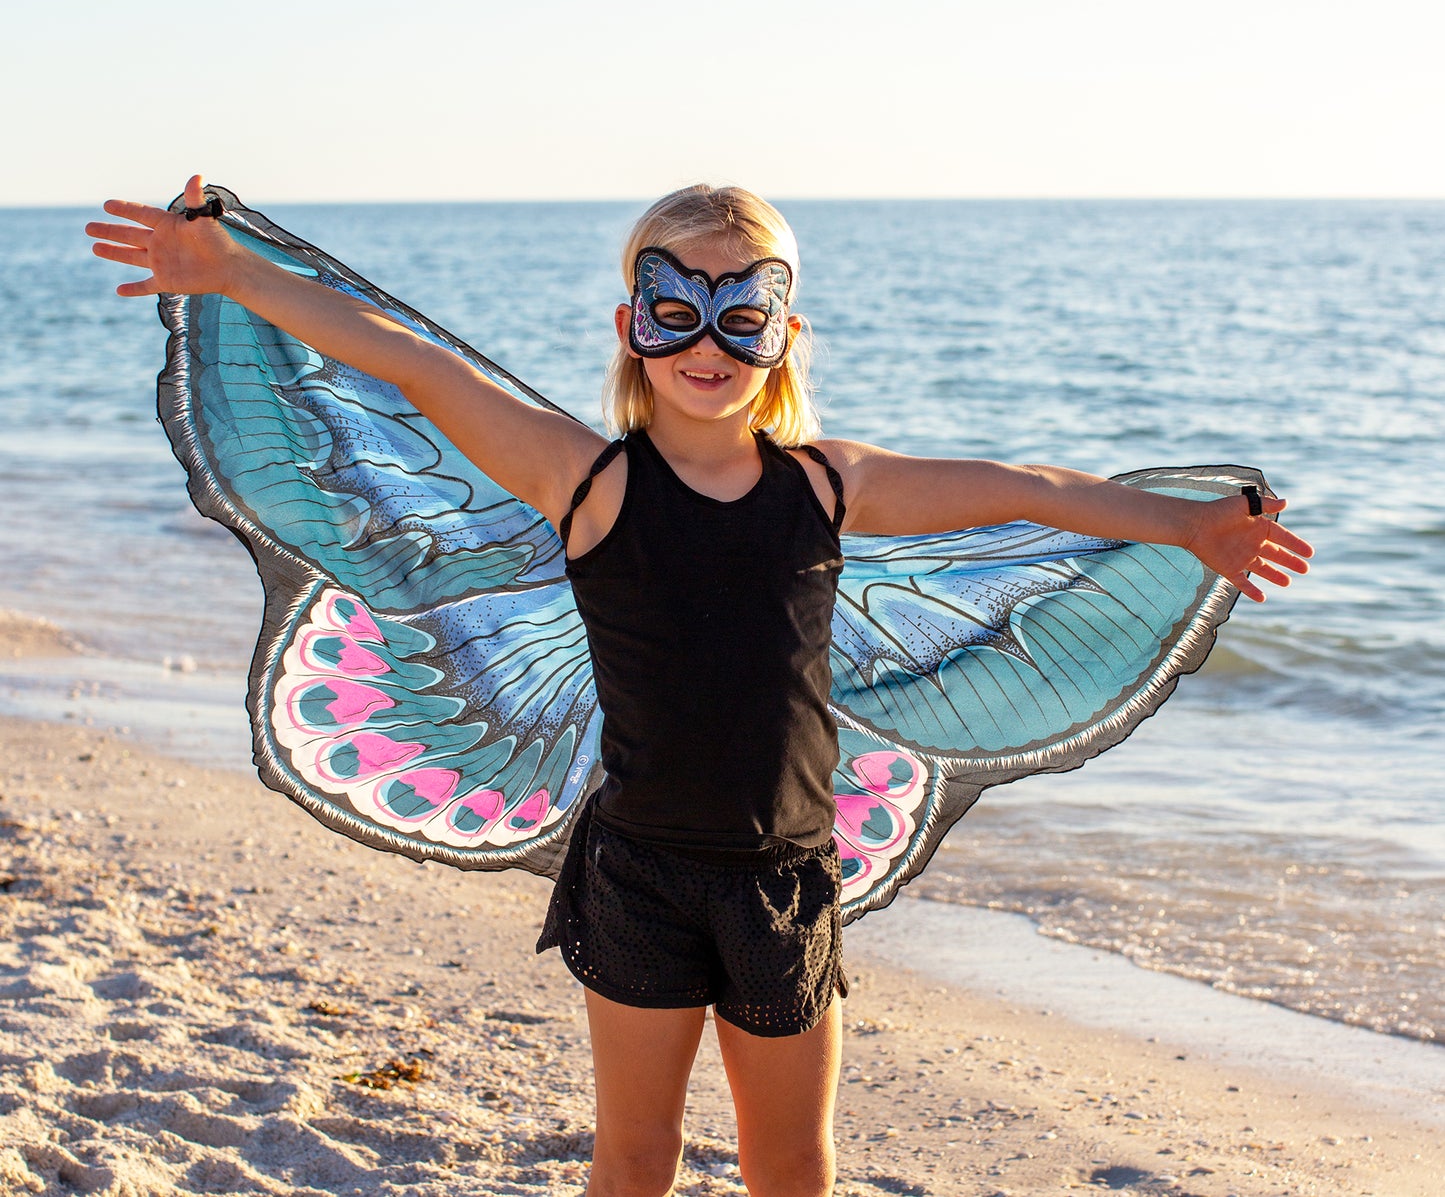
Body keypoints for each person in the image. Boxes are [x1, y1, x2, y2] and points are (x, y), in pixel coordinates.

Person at [88, 177, 1312, 1197]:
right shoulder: (586, 481)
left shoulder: (829, 485)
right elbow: (406, 362)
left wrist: (1187, 525)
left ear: (784, 333)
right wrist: (232, 270)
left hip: (785, 874)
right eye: (676, 310)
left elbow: (1026, 487)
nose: (707, 346)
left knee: (791, 1163)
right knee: (633, 1156)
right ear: (633, 325)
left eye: (743, 314)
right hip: (638, 872)